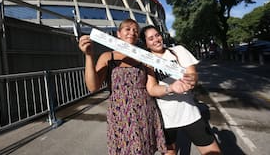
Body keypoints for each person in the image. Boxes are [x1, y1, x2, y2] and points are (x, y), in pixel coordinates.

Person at [78, 19, 192, 155]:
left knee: (145, 149)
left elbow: (151, 87)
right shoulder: (108, 56)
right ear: (118, 33)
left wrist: (172, 87)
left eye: (135, 30)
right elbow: (93, 86)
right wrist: (89, 56)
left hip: (144, 111)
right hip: (120, 114)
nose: (132, 32)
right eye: (128, 29)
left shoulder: (145, 58)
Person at [140, 25, 221, 155]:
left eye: (157, 35)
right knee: (170, 152)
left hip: (190, 113)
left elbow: (193, 74)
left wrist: (191, 80)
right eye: (151, 38)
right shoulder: (147, 61)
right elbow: (152, 89)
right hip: (166, 118)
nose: (156, 39)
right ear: (146, 44)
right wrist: (171, 88)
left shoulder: (178, 50)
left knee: (213, 152)